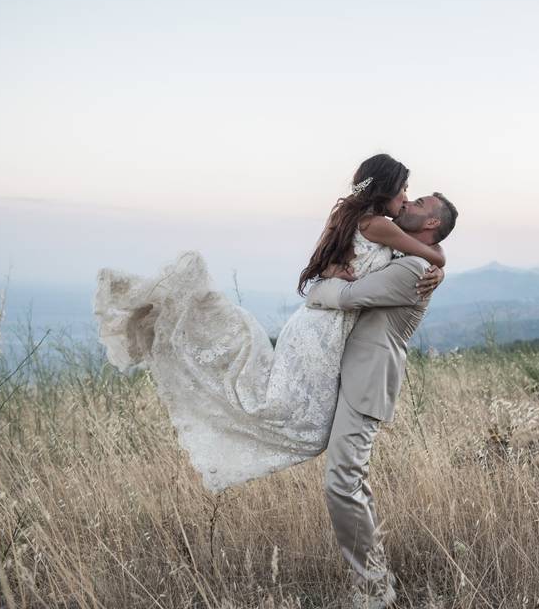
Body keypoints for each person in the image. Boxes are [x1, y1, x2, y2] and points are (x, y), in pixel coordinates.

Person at [92, 154, 446, 492]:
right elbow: (431, 253)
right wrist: (440, 267)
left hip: (311, 324)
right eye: (403, 189)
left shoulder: (345, 215)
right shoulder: (379, 224)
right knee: (300, 425)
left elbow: (321, 262)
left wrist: (329, 273)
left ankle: (190, 345)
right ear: (386, 188)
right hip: (326, 329)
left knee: (283, 408)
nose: (406, 197)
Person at [305, 192, 459, 607]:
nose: (408, 203)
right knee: (350, 479)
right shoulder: (404, 253)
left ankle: (372, 588)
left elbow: (350, 297)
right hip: (352, 376)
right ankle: (375, 580)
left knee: (342, 482)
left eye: (420, 202)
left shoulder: (413, 268)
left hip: (368, 380)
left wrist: (316, 290)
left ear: (431, 224)